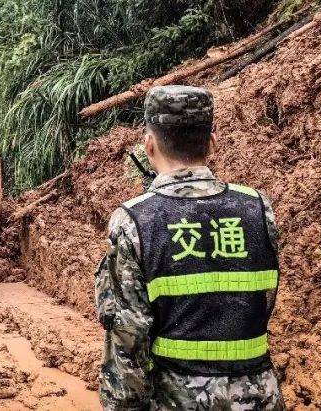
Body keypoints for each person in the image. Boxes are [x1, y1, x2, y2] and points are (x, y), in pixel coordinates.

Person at [95, 85, 283, 410]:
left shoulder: (133, 220)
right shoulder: (258, 207)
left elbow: (128, 336)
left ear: (149, 144)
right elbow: (264, 300)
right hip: (259, 398)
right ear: (212, 142)